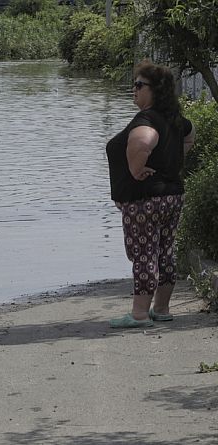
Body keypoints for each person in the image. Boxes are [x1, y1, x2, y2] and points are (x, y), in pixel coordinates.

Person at [106, 60, 195, 328]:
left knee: (144, 252)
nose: (134, 89)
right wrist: (171, 161)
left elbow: (144, 140)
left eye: (139, 85)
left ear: (154, 89)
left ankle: (140, 314)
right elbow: (190, 135)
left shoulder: (146, 119)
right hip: (171, 196)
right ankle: (163, 308)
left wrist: (135, 169)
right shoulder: (174, 118)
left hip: (144, 200)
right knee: (164, 252)